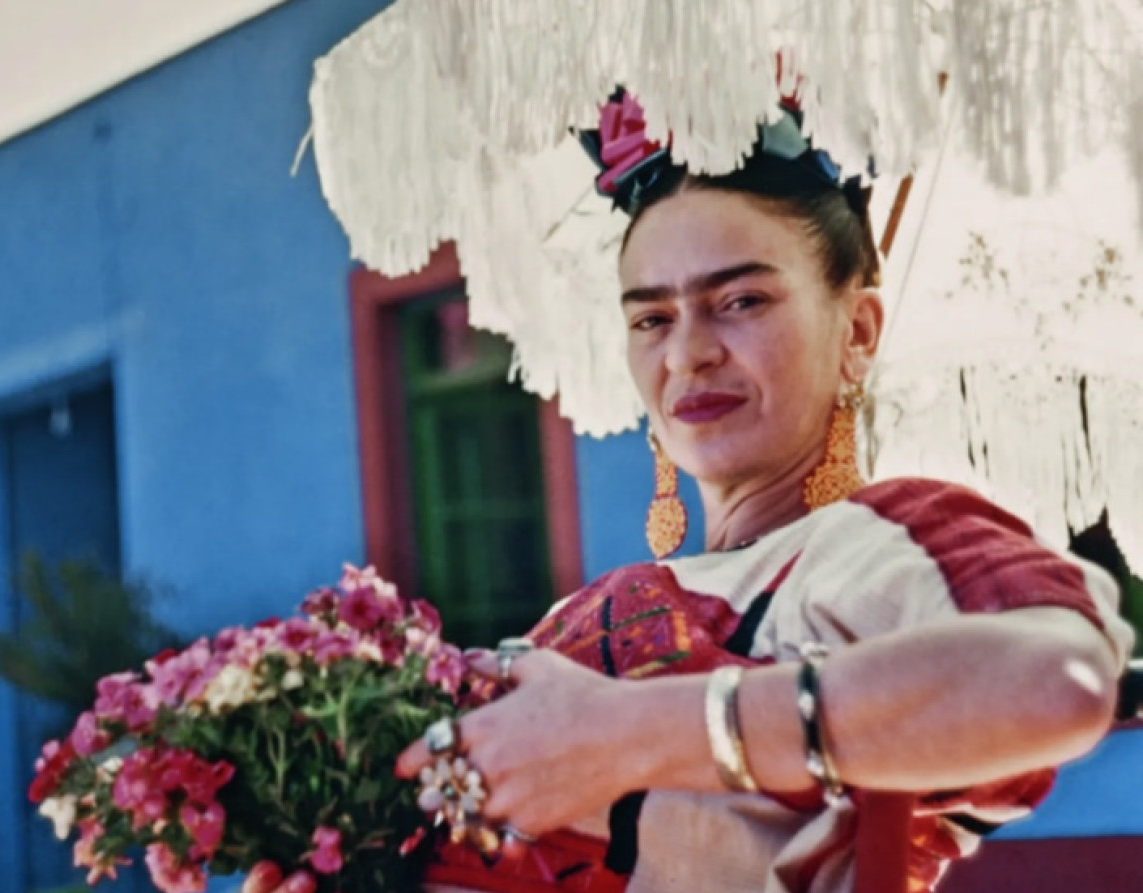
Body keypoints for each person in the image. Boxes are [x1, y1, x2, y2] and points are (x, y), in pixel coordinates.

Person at [395, 91, 1136, 893]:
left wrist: (635, 732)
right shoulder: (569, 620)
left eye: (741, 301)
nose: (689, 354)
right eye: (651, 319)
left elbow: (1062, 678)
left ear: (856, 332)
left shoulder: (879, 541)